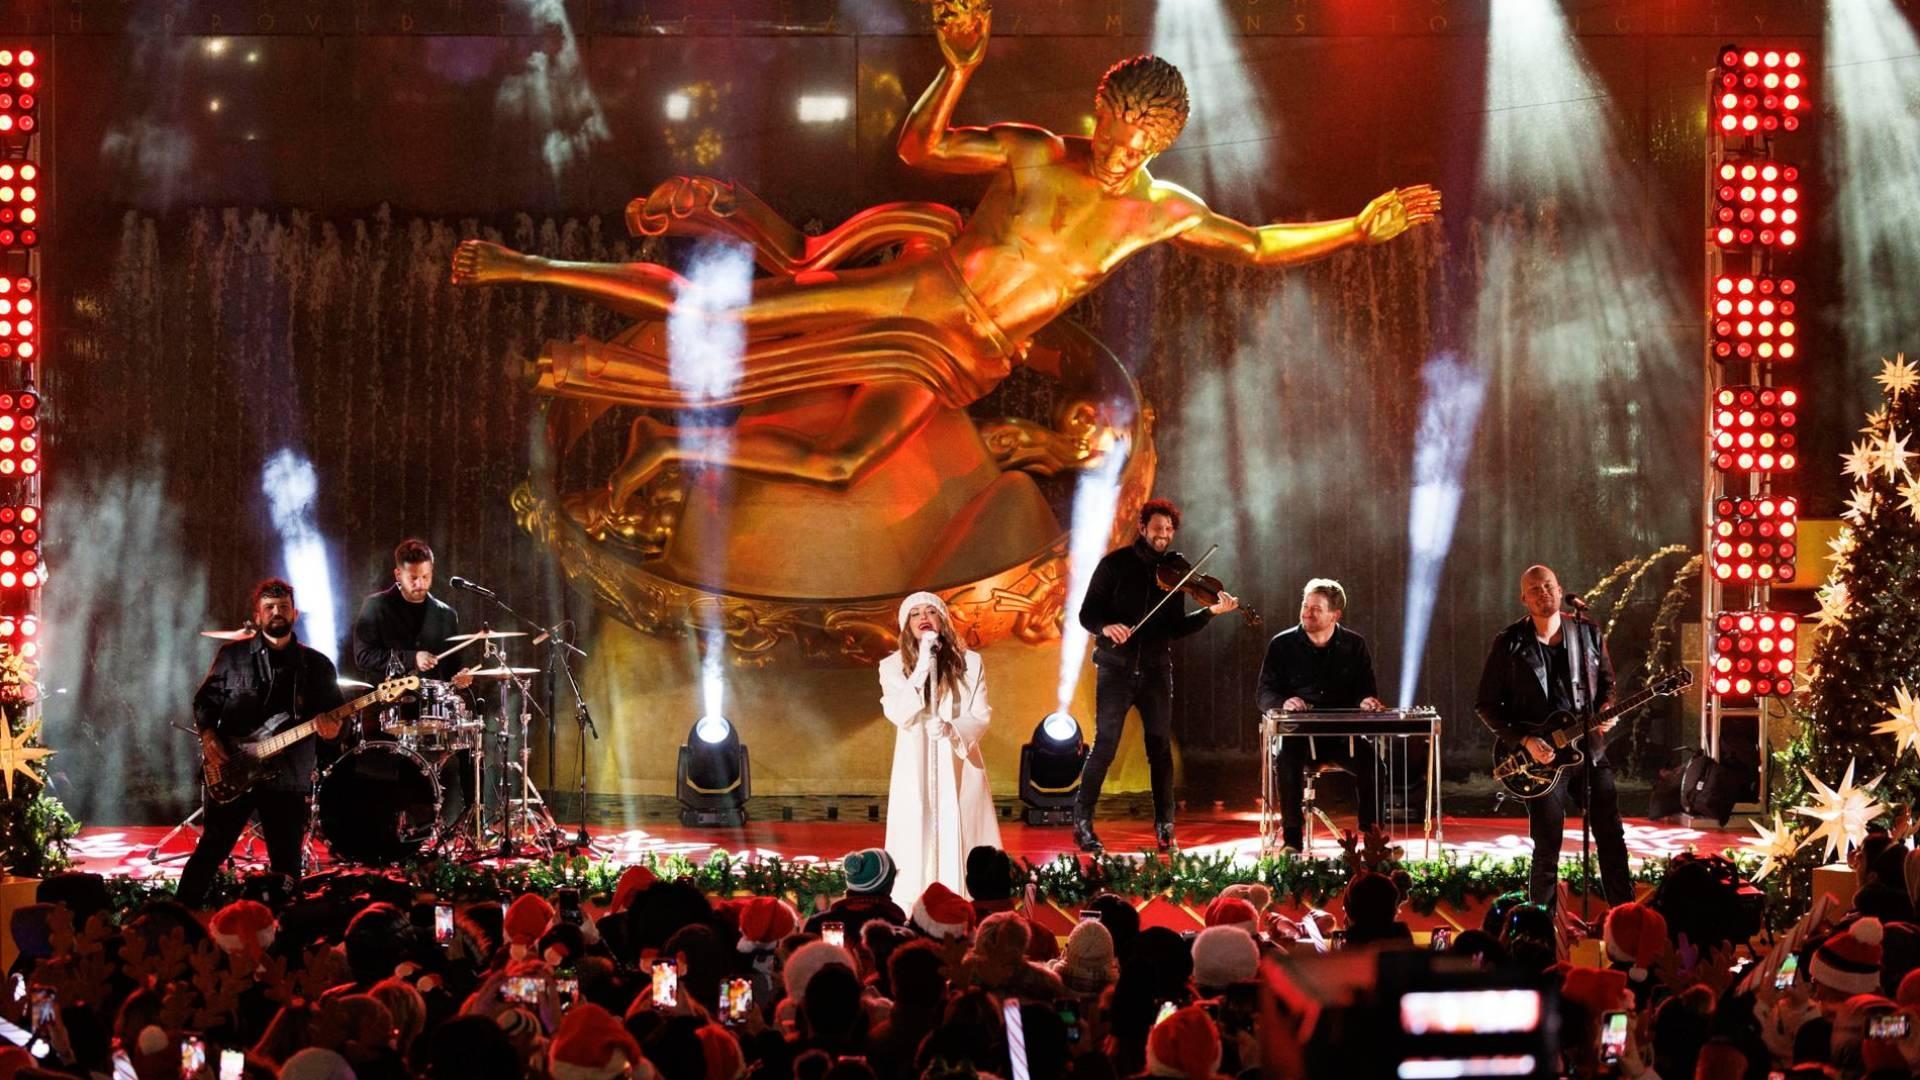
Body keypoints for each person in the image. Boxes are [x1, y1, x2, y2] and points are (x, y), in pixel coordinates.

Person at [449, 3, 1438, 508]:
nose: (1127, 147)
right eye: (1120, 123)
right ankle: (521, 266)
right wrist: (957, 69)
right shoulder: (1038, 154)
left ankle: (674, 446)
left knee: (840, 462)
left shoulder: (1161, 212)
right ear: (1098, 109)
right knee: (729, 319)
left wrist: (1358, 225)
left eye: (1147, 138)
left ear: (1167, 143)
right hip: (923, 292)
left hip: (965, 357)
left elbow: (1259, 243)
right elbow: (921, 150)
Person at [1073, 499, 1238, 853]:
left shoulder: (1175, 572)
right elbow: (1087, 614)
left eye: (1168, 531)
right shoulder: (1114, 565)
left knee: (1159, 749)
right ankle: (1082, 822)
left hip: (1155, 672)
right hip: (1115, 669)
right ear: (1143, 527)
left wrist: (1209, 612)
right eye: (1157, 529)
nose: (1163, 536)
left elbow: (1176, 628)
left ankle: (1165, 827)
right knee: (1105, 746)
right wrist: (1107, 626)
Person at [178, 579, 347, 907]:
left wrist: (332, 731)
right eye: (269, 608)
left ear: (294, 613)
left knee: (286, 863)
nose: (277, 613)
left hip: (287, 778)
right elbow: (204, 702)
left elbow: (338, 723)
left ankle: (285, 933)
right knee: (211, 849)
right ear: (257, 617)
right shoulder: (232, 656)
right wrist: (209, 735)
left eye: (283, 607)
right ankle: (175, 916)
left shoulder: (317, 665)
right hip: (233, 769)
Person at [1474, 564, 1631, 906]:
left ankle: (1624, 916)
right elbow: (1486, 704)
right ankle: (1539, 928)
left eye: (1548, 586)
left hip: (1589, 751)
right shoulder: (1510, 643)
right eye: (1535, 589)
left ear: (1560, 591)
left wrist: (1606, 712)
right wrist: (1524, 741)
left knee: (1611, 836)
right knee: (1547, 845)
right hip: (1540, 760)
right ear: (1524, 599)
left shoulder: (1587, 633)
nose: (1543, 592)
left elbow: (1608, 686)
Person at [879, 591, 1001, 908]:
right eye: (915, 613)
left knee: (958, 827)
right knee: (918, 827)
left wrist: (952, 729)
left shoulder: (971, 663)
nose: (923, 617)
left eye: (930, 611)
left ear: (942, 620)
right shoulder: (892, 666)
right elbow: (899, 712)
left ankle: (959, 903)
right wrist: (921, 666)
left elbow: (980, 714)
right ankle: (914, 905)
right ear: (906, 624)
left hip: (958, 758)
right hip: (915, 762)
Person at [1256, 578, 1386, 853]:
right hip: (1298, 738)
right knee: (1287, 761)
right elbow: (1264, 694)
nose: (1307, 612)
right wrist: (1284, 701)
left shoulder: (1355, 645)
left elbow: (1366, 690)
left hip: (1341, 738)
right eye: (1305, 605)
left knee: (1374, 766)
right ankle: (1292, 838)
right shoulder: (1281, 645)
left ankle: (1373, 838)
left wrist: (1366, 701)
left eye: (1316, 608)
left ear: (1335, 615)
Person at [350, 538, 474, 689]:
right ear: (398, 575)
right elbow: (364, 657)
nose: (420, 584)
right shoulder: (375, 606)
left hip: (433, 708)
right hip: (387, 704)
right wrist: (412, 658)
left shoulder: (446, 615)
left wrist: (462, 676)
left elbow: (453, 666)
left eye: (425, 577)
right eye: (413, 578)